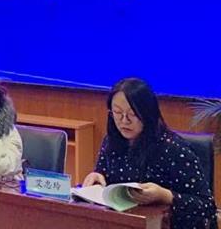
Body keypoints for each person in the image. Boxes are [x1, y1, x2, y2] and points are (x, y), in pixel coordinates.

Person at [82, 78, 216, 228]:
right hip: (125, 223)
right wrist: (97, 176)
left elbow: (207, 206)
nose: (124, 120)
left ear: (147, 113)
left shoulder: (174, 149)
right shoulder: (111, 141)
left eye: (132, 114)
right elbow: (104, 176)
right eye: (117, 113)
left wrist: (165, 195)